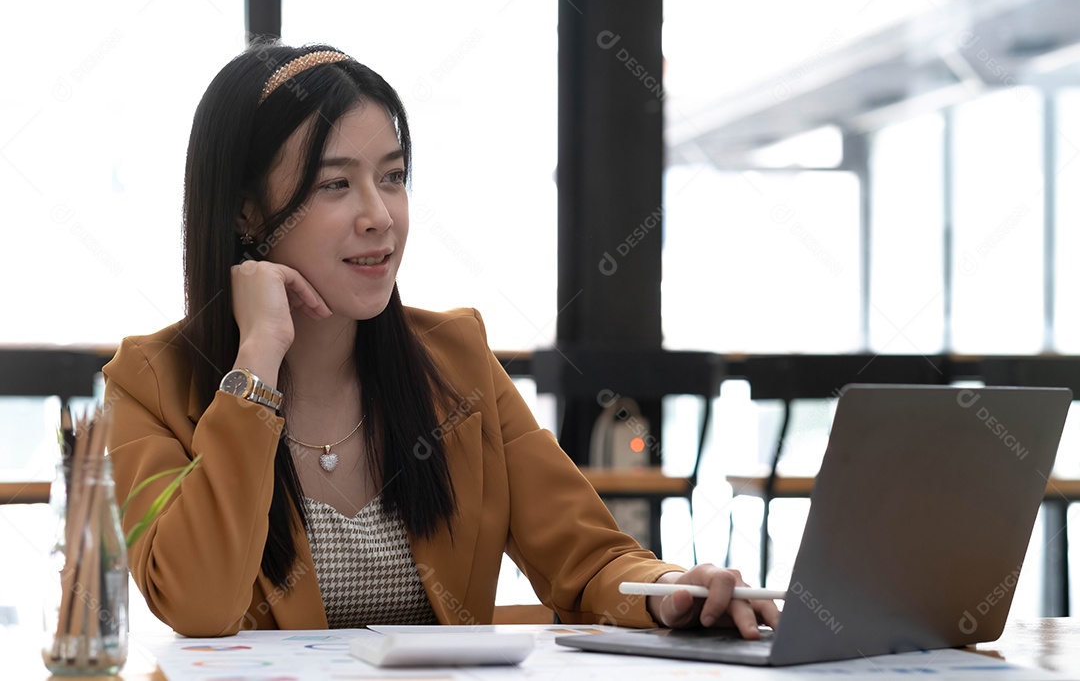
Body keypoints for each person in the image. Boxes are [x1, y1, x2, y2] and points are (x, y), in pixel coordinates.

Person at [103, 42, 780, 638]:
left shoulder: (456, 359)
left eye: (392, 177)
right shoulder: (153, 381)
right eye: (336, 183)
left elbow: (591, 558)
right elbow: (199, 603)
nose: (380, 216)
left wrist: (672, 594)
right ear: (248, 212)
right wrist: (257, 362)